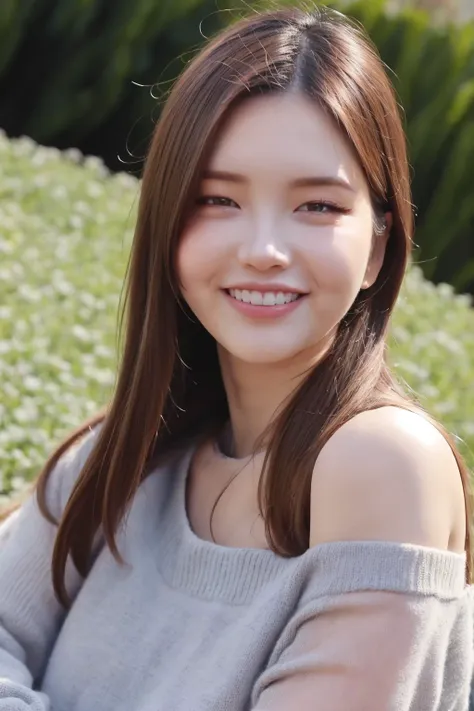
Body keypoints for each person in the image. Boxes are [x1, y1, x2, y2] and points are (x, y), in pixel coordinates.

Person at [1, 4, 473, 710]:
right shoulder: (130, 453)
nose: (263, 248)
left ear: (377, 247)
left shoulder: (381, 463)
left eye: (317, 206)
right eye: (218, 198)